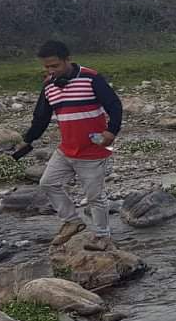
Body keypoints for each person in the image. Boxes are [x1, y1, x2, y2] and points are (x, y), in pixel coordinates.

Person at [22, 40, 122, 249]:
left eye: (55, 66)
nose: (51, 71)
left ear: (67, 60)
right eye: (47, 67)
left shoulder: (90, 78)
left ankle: (102, 236)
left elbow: (114, 104)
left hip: (93, 148)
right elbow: (41, 117)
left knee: (94, 196)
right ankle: (72, 221)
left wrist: (111, 131)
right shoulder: (49, 85)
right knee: (48, 183)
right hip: (66, 148)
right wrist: (27, 140)